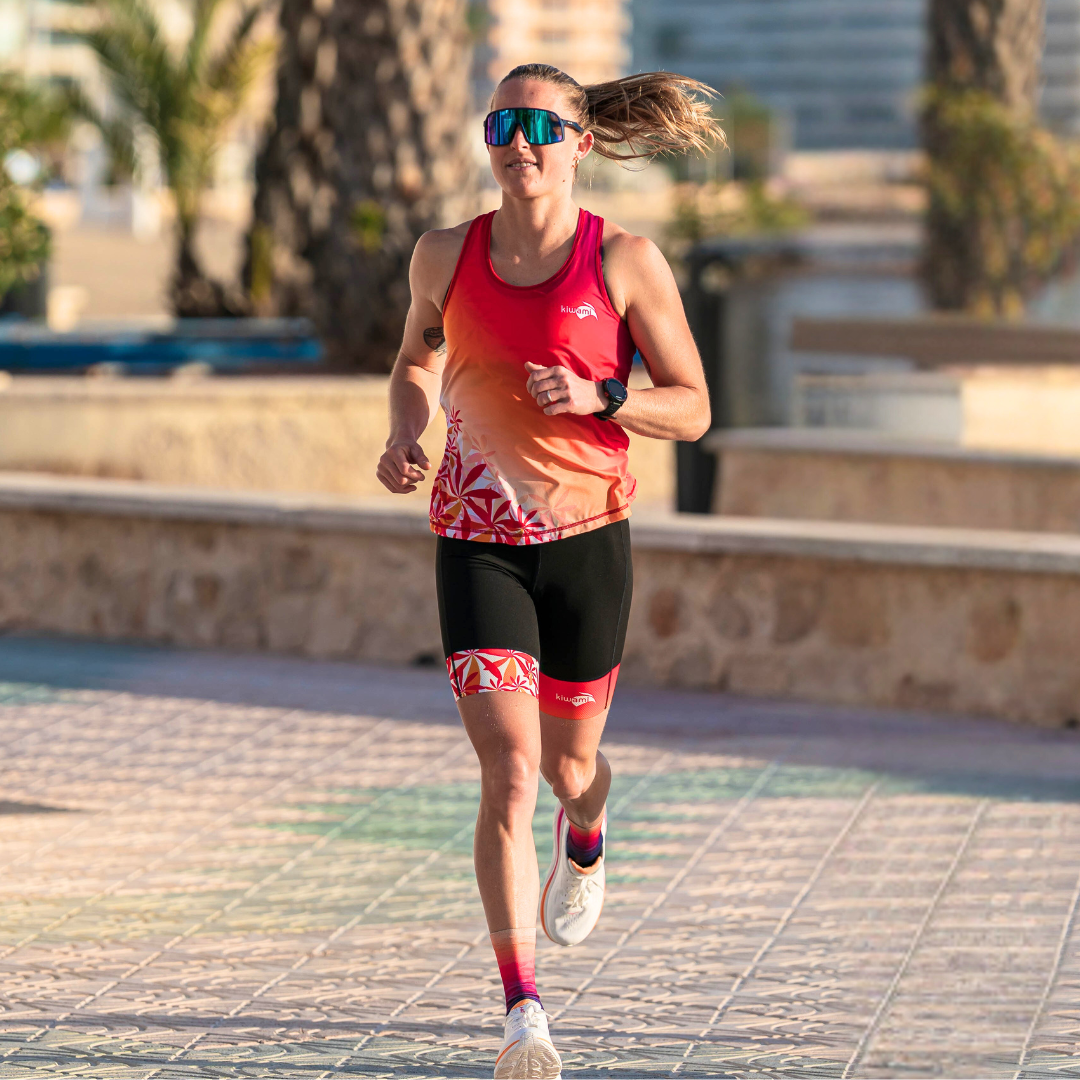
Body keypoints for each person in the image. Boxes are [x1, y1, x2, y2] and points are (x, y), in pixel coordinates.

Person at [377, 63, 720, 1079]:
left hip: (587, 543)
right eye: (502, 123)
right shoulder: (444, 255)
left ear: (578, 141)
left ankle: (592, 829)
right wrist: (404, 434)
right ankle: (524, 1015)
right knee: (509, 773)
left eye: (539, 125)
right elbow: (414, 361)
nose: (518, 142)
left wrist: (602, 396)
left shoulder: (624, 261)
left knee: (570, 773)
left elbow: (694, 406)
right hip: (477, 540)